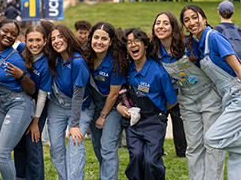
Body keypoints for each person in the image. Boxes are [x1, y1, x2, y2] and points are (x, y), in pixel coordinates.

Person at [151, 11, 225, 179]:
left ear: (173, 27)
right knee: (193, 147)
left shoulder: (190, 44)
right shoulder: (155, 52)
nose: (161, 26)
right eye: (158, 23)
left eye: (165, 23)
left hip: (210, 97)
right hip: (187, 101)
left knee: (212, 145)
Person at [180, 4, 241, 180]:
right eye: (186, 20)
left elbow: (238, 69)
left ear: (204, 18)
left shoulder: (214, 37)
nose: (191, 22)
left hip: (237, 95)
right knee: (236, 157)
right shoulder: (200, 44)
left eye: (194, 17)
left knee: (212, 138)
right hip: (227, 98)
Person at [0, 19, 36, 180]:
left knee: (2, 152)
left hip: (20, 105)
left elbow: (31, 90)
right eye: (5, 31)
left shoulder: (15, 59)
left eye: (13, 35)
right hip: (2, 106)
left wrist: (21, 75)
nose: (8, 36)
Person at [117, 28, 178, 180]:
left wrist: (159, 113)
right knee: (136, 156)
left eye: (136, 41)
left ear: (144, 45)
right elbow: (120, 92)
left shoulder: (158, 71)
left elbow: (172, 100)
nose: (133, 45)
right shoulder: (126, 68)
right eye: (129, 43)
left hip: (154, 121)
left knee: (151, 160)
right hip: (133, 121)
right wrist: (120, 106)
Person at [46, 24, 94, 180]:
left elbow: (78, 97)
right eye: (53, 38)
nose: (57, 41)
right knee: (56, 148)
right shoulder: (56, 59)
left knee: (75, 145)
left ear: (69, 37)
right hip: (57, 107)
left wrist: (74, 125)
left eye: (60, 36)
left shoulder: (78, 62)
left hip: (80, 108)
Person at [84, 22, 127, 179]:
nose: (99, 42)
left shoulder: (116, 62)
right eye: (96, 37)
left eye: (104, 39)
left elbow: (114, 94)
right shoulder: (86, 56)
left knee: (108, 146)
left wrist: (103, 115)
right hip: (94, 106)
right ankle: (107, 175)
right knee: (97, 145)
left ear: (111, 41)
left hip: (113, 107)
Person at [14, 25, 53, 180]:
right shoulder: (22, 50)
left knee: (32, 143)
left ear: (45, 41)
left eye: (38, 40)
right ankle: (20, 176)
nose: (34, 44)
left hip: (38, 106)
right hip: (21, 104)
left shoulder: (47, 63)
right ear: (25, 40)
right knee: (19, 143)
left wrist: (35, 121)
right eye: (31, 40)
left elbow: (42, 96)